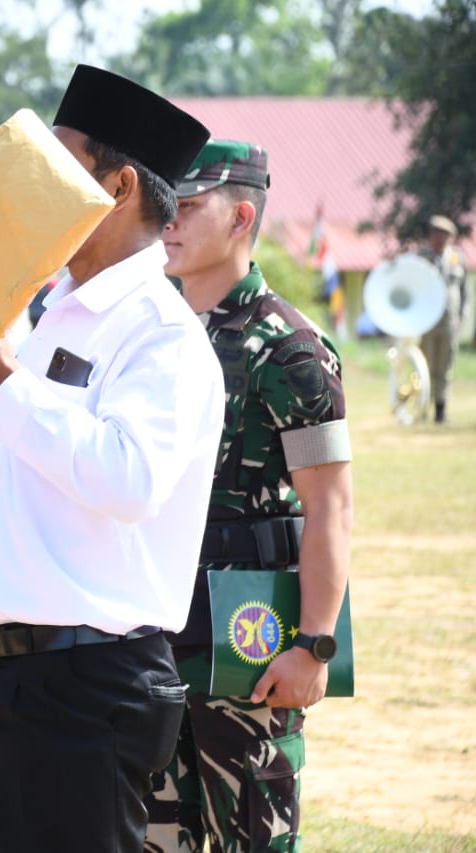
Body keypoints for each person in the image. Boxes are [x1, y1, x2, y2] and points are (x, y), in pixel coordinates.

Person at [0, 65, 223, 851]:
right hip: (17, 680)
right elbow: (16, 477)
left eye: (60, 169)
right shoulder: (63, 312)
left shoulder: (160, 331)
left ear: (119, 187)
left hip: (88, 684)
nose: (35, 190)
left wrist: (1, 381)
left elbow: (126, 480)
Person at [140, 139, 355, 852]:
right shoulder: (153, 336)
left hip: (249, 643)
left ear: (239, 218)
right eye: (166, 207)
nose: (168, 222)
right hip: (153, 635)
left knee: (253, 841)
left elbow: (330, 506)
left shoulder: (288, 348)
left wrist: (314, 647)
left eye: (189, 208)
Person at [417, 214, 467, 424]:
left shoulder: (456, 257)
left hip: (449, 322)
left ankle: (441, 410)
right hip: (427, 321)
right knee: (425, 367)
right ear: (430, 236)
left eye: (445, 234)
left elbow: (464, 291)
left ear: (451, 237)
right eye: (436, 234)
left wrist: (462, 317)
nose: (440, 238)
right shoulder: (421, 257)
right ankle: (422, 410)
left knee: (444, 368)